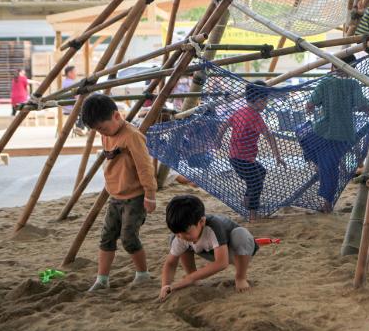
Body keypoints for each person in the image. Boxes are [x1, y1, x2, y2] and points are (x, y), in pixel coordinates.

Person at [81, 94, 157, 291]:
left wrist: (150, 194)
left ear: (116, 115)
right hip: (115, 196)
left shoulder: (132, 136)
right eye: (98, 130)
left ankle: (142, 274)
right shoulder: (106, 134)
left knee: (129, 238)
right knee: (106, 237)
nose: (102, 133)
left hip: (135, 197)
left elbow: (145, 167)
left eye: (103, 128)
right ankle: (102, 279)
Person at [303, 60, 369, 212]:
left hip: (323, 132)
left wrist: (313, 108)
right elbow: (361, 104)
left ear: (333, 67)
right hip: (345, 135)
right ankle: (327, 202)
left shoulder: (325, 82)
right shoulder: (354, 84)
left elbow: (309, 106)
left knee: (303, 134)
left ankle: (316, 162)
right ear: (352, 69)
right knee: (332, 166)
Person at [159, 195, 257, 300]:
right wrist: (165, 285)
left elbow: (222, 263)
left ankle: (241, 277)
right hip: (210, 252)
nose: (181, 236)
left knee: (241, 234)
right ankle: (193, 276)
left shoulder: (214, 226)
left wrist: (189, 278)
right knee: (178, 242)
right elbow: (170, 263)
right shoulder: (180, 235)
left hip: (236, 252)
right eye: (177, 233)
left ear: (202, 222)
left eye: (186, 232)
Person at [223, 80, 285, 220]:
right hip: (243, 159)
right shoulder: (255, 117)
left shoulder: (240, 111)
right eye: (265, 101)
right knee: (256, 182)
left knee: (260, 172)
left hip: (235, 157)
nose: (266, 104)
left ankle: (246, 200)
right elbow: (269, 136)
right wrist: (277, 156)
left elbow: (224, 125)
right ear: (259, 101)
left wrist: (218, 141)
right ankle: (252, 214)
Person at [62, 65, 86, 135]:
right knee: (87, 109)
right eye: (74, 71)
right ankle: (79, 127)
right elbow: (77, 98)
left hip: (65, 106)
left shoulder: (64, 82)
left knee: (85, 108)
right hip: (71, 107)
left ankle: (87, 129)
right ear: (69, 73)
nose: (76, 73)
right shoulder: (72, 84)